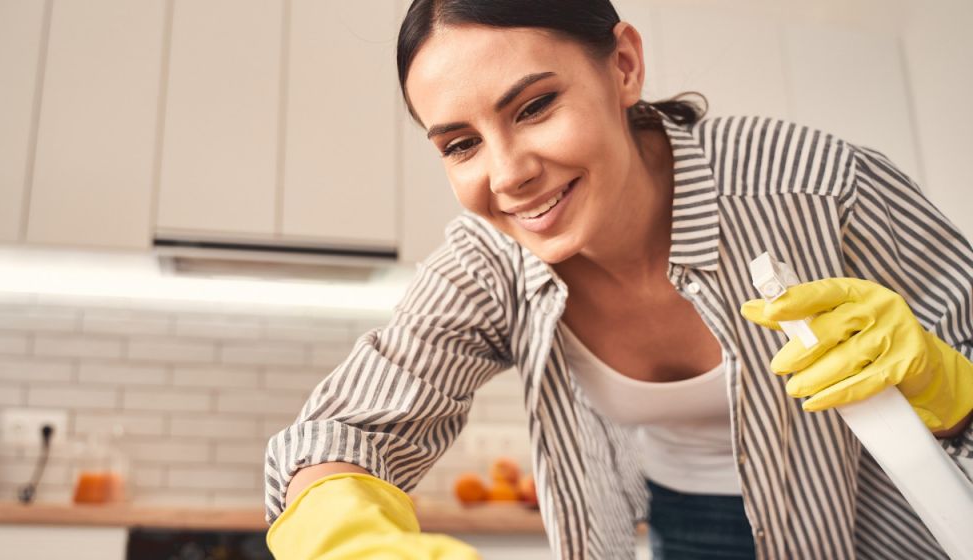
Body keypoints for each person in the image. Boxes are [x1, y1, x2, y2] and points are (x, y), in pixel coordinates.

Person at [263, 0, 973, 558]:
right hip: (686, 518)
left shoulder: (817, 186)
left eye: (535, 106)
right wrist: (350, 541)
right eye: (461, 144)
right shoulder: (488, 264)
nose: (508, 174)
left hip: (879, 516)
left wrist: (955, 391)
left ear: (624, 64)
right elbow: (344, 430)